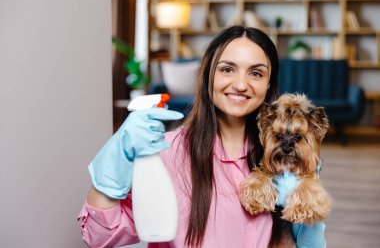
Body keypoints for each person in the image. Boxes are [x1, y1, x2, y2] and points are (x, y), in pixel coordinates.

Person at [78, 25, 326, 248]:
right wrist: (113, 160)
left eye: (256, 73)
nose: (241, 84)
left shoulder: (280, 156)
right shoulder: (167, 151)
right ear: (208, 75)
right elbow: (99, 236)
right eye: (227, 69)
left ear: (269, 85)